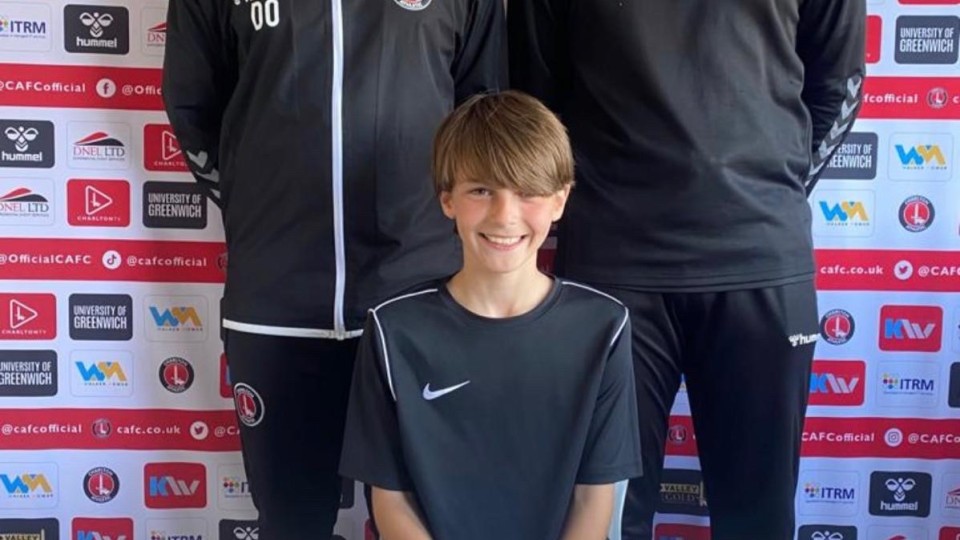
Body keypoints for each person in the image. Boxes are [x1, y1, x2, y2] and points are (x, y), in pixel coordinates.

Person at [508, 1, 865, 538]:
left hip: (759, 262)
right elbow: (537, 97)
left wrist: (767, 190)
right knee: (604, 517)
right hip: (613, 265)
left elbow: (837, 84)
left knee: (758, 518)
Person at [162, 1, 505, 537]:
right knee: (291, 522)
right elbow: (194, 106)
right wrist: (258, 198)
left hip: (418, 298)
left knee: (430, 521)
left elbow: (483, 110)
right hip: (277, 302)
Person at [339, 91, 643, 540]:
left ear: (559, 201)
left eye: (528, 193)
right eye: (481, 190)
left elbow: (593, 499)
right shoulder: (393, 330)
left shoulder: (603, 327)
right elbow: (390, 499)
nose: (505, 216)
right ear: (447, 200)